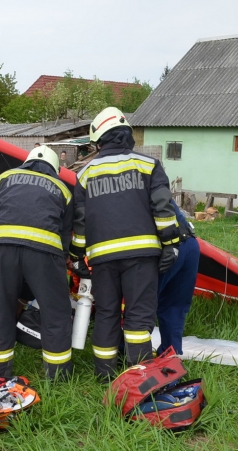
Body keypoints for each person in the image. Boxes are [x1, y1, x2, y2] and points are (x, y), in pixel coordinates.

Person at [72, 107, 182, 379]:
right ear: (128, 134)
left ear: (99, 141)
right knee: (138, 316)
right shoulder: (148, 165)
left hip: (102, 260)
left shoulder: (85, 174)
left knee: (107, 314)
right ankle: (139, 378)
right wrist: (171, 244)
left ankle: (104, 375)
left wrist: (77, 257)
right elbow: (163, 209)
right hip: (142, 257)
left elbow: (80, 224)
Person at [0, 146, 75, 380]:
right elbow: (65, 232)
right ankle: (57, 375)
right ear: (55, 168)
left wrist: (1, 241)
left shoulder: (3, 177)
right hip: (45, 251)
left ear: (27, 162)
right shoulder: (62, 188)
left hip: (1, 247)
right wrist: (60, 257)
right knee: (55, 312)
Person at [156, 199, 200, 355]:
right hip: (189, 243)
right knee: (173, 308)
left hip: (166, 250)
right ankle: (171, 363)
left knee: (140, 308)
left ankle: (130, 359)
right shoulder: (152, 178)